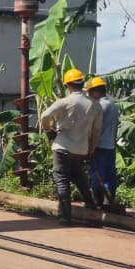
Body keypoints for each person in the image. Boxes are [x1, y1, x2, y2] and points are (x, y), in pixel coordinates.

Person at [40, 68, 103, 224]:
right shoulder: (95, 105)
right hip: (81, 149)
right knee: (80, 177)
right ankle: (91, 205)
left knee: (62, 179)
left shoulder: (65, 102)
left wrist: (48, 130)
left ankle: (66, 216)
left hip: (62, 147)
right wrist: (91, 149)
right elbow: (96, 131)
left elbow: (44, 116)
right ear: (82, 83)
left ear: (67, 85)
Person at [85, 76, 120, 208]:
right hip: (110, 146)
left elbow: (92, 128)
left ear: (94, 91)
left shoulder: (98, 106)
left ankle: (97, 203)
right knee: (110, 174)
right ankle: (109, 201)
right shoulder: (113, 105)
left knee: (97, 175)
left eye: (89, 93)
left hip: (98, 146)